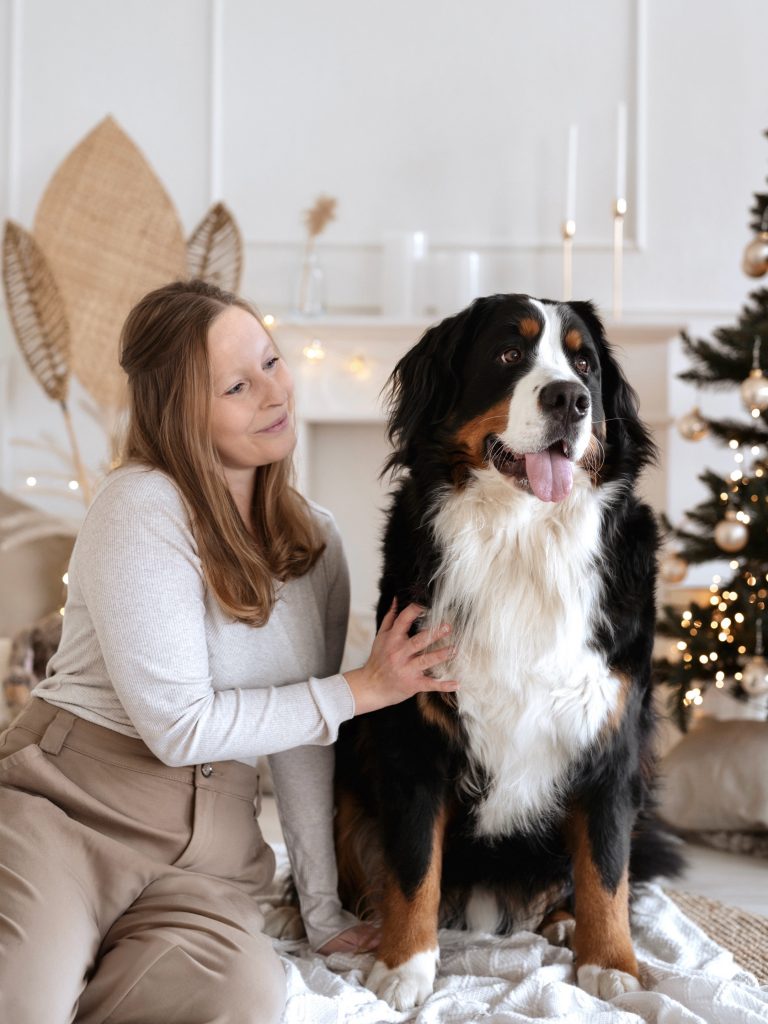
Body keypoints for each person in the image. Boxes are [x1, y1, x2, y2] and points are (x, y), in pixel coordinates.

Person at [0, 279, 459, 1024]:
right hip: (71, 812)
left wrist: (319, 910)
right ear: (184, 412)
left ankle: (82, 961)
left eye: (272, 363)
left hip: (210, 858)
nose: (274, 394)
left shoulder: (317, 540)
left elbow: (304, 741)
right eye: (239, 386)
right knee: (21, 1001)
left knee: (236, 1004)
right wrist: (361, 688)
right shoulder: (141, 507)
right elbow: (178, 726)